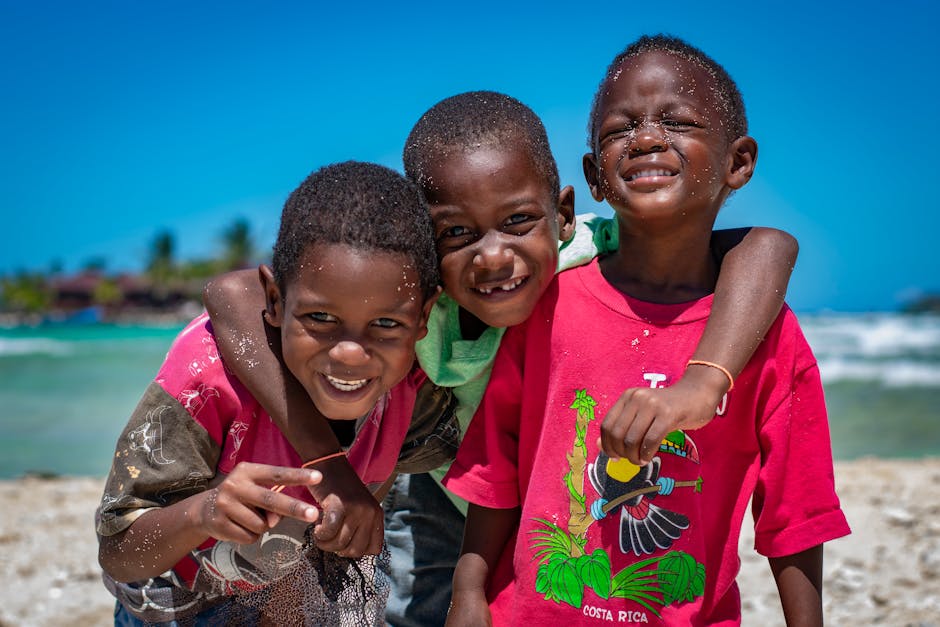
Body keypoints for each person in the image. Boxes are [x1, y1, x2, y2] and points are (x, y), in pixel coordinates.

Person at [204, 90, 800, 625]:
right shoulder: (414, 295)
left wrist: (705, 379)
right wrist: (332, 469)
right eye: (456, 234)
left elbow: (765, 247)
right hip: (438, 483)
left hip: (548, 487)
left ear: (562, 216)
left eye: (517, 223)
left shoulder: (589, 253)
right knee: (420, 611)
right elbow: (230, 294)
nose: (493, 257)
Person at [442, 35, 851, 626]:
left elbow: (795, 510)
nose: (647, 138)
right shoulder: (550, 302)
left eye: (678, 121)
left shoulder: (766, 333)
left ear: (737, 163)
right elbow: (496, 468)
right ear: (594, 176)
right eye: (619, 129)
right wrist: (470, 593)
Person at [95, 161, 442, 625]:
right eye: (320, 318)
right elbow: (117, 552)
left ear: (423, 319)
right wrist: (204, 512)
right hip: (174, 612)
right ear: (275, 301)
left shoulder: (410, 385)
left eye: (385, 324)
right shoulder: (207, 381)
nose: (351, 355)